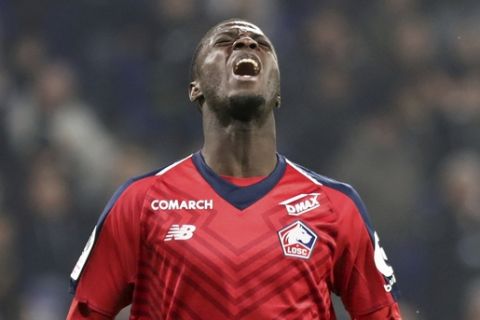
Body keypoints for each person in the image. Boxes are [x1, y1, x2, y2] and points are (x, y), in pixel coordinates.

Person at [67, 19, 402, 319]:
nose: (246, 42)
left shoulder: (334, 206)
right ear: (195, 87)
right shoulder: (141, 203)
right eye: (225, 42)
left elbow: (380, 313)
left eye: (261, 44)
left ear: (278, 93)